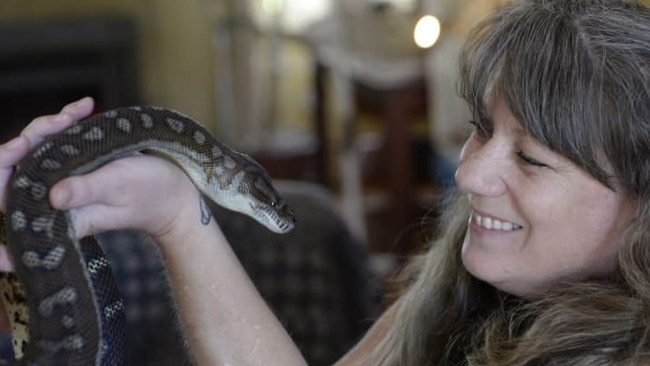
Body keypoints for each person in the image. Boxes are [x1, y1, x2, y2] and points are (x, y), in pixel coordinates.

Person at [1, 0, 649, 364]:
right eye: (481, 128)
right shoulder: (467, 274)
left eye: (531, 159)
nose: (471, 173)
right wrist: (174, 210)